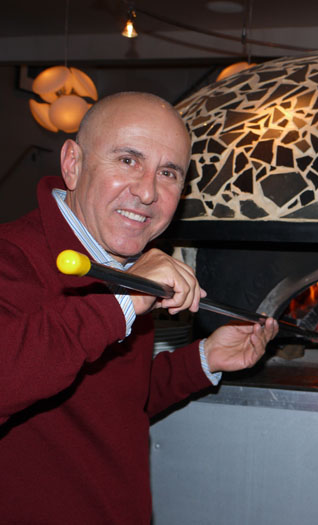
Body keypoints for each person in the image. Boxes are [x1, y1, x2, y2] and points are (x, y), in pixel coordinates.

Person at [0, 91, 278, 523]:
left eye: (169, 173)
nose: (148, 191)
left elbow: (110, 405)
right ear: (72, 163)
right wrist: (123, 299)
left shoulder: (126, 265)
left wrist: (203, 359)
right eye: (128, 160)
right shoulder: (11, 256)